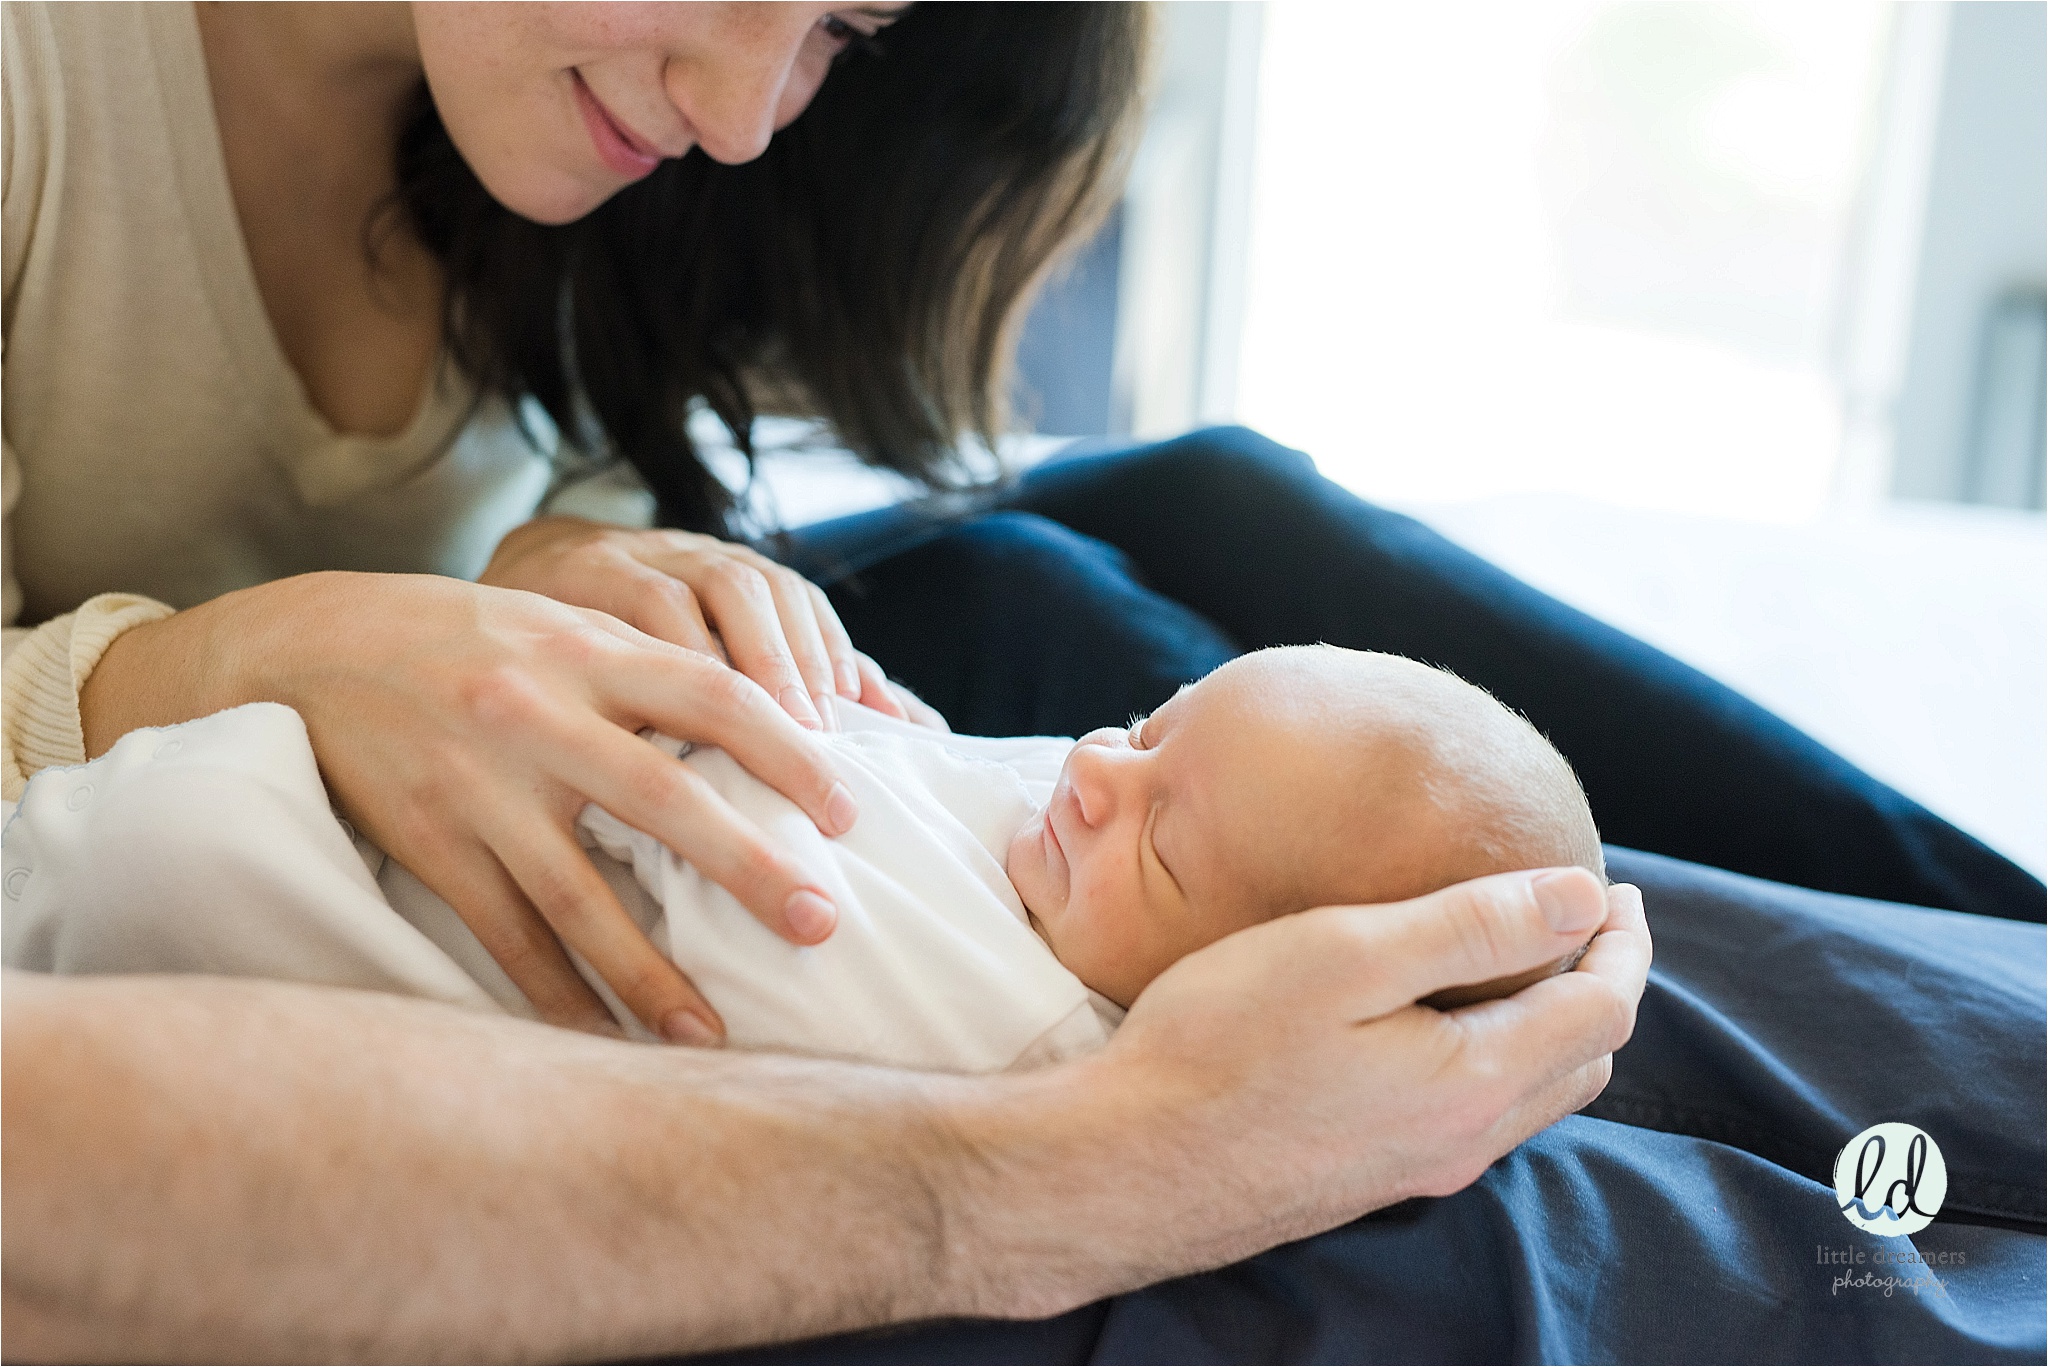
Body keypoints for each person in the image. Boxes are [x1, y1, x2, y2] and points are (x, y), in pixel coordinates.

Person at [3, 3, 1658, 1359]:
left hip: (494, 689)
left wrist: (555, 565)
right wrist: (273, 643)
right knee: (1060, 608)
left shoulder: (598, 116)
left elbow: (582, 474)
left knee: (1205, 511)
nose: (745, 116)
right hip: (142, 745)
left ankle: (1808, 944)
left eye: (841, 31)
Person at [5, 647, 1603, 1073]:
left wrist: (761, 731)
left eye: (1164, 841)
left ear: (1253, 985)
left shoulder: (1014, 1031)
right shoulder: (1077, 861)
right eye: (1147, 722)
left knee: (179, 852)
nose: (1096, 775)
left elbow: (767, 893)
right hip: (313, 781)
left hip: (214, 899)